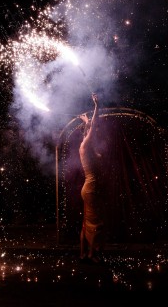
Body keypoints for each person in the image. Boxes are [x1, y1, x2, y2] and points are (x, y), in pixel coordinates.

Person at [78, 92, 106, 264]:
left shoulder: (85, 146)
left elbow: (90, 127)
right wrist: (96, 106)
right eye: (91, 131)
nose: (93, 131)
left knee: (86, 223)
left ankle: (84, 253)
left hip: (89, 189)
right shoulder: (85, 145)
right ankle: (91, 254)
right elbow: (93, 125)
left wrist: (86, 122)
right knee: (95, 224)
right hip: (91, 189)